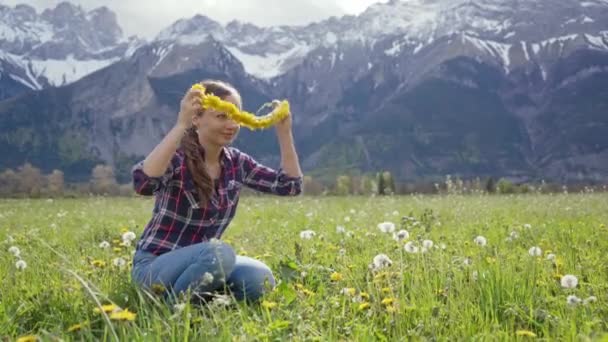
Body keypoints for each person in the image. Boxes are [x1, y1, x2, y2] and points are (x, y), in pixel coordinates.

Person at [130, 79, 303, 304]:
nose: (231, 124)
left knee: (260, 278)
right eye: (222, 116)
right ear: (197, 119)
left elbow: (290, 186)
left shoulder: (236, 163)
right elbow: (143, 183)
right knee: (220, 253)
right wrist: (181, 125)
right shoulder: (178, 158)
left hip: (205, 264)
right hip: (155, 267)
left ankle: (206, 304)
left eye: (236, 116)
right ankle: (175, 311)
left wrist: (284, 133)